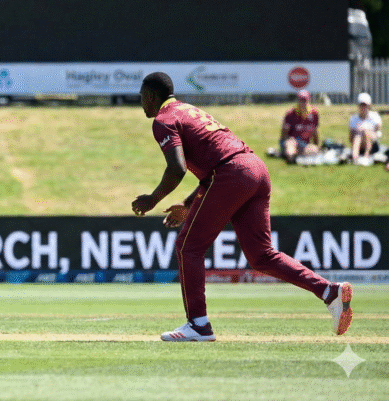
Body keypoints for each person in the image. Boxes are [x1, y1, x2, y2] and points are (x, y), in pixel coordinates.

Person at [131, 72, 353, 342]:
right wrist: (190, 204)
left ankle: (199, 325)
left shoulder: (163, 119)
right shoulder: (188, 110)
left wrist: (152, 199)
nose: (141, 102)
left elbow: (177, 169)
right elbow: (216, 162)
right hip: (255, 169)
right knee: (261, 255)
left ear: (152, 96)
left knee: (188, 246)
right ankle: (330, 292)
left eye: (142, 97)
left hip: (231, 174)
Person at [280, 89, 320, 164]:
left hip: (304, 143)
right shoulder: (291, 114)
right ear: (298, 101)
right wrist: (290, 140)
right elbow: (284, 134)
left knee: (314, 150)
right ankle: (291, 158)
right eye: (301, 100)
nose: (303, 103)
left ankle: (297, 155)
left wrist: (316, 145)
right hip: (291, 141)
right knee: (291, 146)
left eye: (305, 100)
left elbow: (315, 131)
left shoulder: (314, 113)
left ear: (308, 101)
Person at [349, 92, 382, 166]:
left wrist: (366, 131)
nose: (363, 107)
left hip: (372, 142)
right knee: (358, 136)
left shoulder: (375, 116)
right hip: (359, 143)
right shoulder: (353, 119)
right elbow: (350, 138)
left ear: (369, 106)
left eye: (365, 105)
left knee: (366, 132)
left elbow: (378, 133)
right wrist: (358, 132)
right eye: (362, 105)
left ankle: (366, 156)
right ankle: (355, 158)